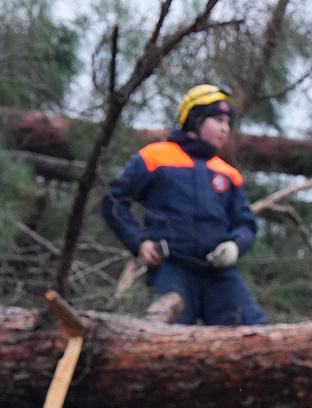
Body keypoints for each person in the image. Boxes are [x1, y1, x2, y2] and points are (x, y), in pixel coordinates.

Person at [100, 84, 265, 327]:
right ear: (196, 119)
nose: (225, 128)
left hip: (219, 275)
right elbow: (112, 201)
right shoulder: (154, 157)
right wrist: (139, 242)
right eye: (218, 119)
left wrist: (234, 246)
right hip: (171, 269)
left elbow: (246, 225)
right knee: (165, 344)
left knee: (255, 337)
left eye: (228, 122)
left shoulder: (228, 173)